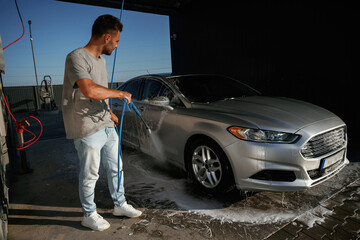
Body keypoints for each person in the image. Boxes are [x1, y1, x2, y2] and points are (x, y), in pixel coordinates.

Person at [62, 14, 142, 231]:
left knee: (117, 167)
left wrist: (109, 111)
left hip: (105, 122)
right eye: (116, 41)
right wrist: (119, 93)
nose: (116, 45)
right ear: (107, 37)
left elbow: (100, 92)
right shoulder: (76, 57)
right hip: (86, 126)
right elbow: (88, 89)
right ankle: (89, 214)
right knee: (90, 173)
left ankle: (120, 204)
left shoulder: (102, 61)